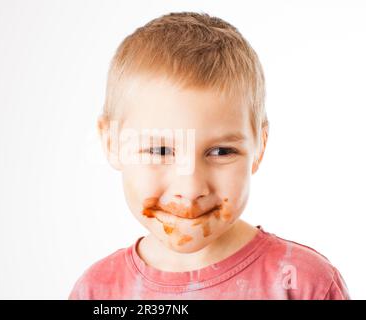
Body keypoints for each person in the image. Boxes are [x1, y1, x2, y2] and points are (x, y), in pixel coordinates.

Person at [69, 11, 350, 300]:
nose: (190, 190)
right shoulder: (97, 292)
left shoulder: (304, 284)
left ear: (259, 147)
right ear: (112, 143)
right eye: (160, 150)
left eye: (220, 151)